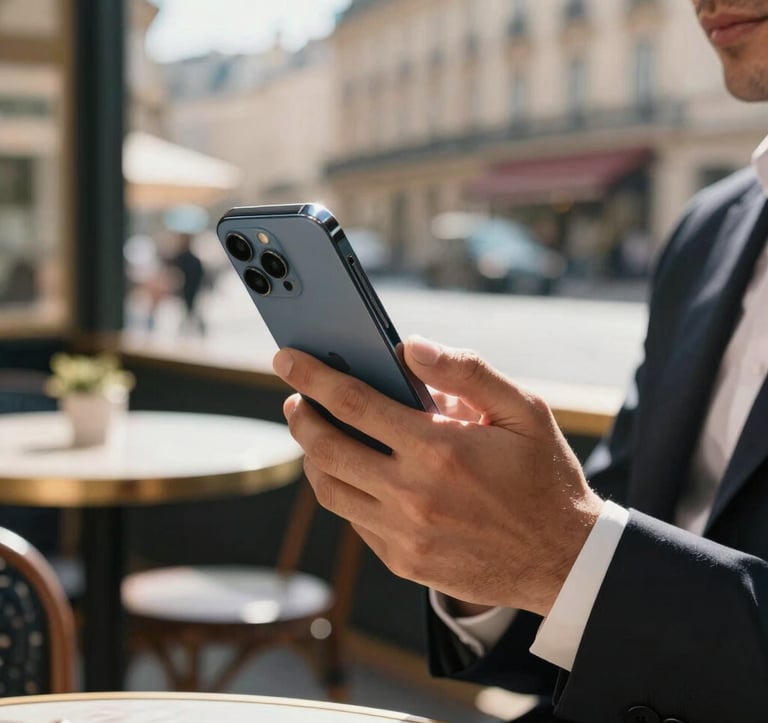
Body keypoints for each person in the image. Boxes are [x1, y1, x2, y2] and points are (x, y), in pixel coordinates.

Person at [272, 2, 768, 721]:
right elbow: (622, 527)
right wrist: (482, 557)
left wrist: (567, 558)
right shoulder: (707, 231)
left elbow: (594, 559)